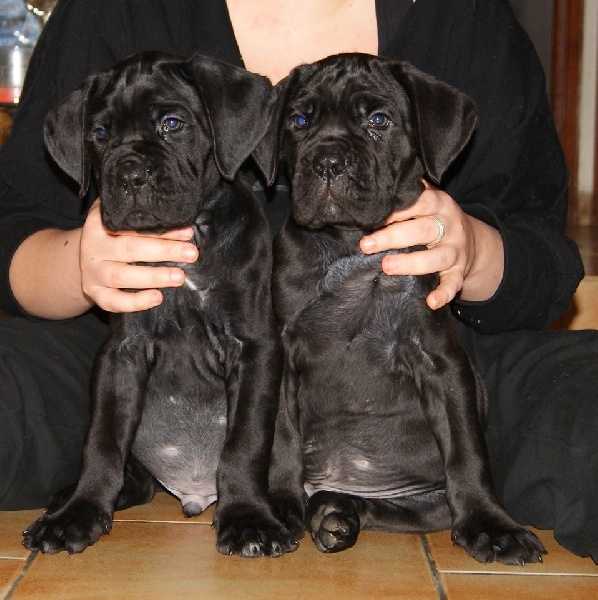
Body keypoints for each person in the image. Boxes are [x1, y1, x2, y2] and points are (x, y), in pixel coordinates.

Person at [0, 0, 595, 562]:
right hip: (164, 366)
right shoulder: (113, 10)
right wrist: (77, 263)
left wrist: (476, 250)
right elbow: (16, 229)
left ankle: (368, 495)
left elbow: (547, 260)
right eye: (303, 122)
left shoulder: (461, 14)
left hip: (415, 378)